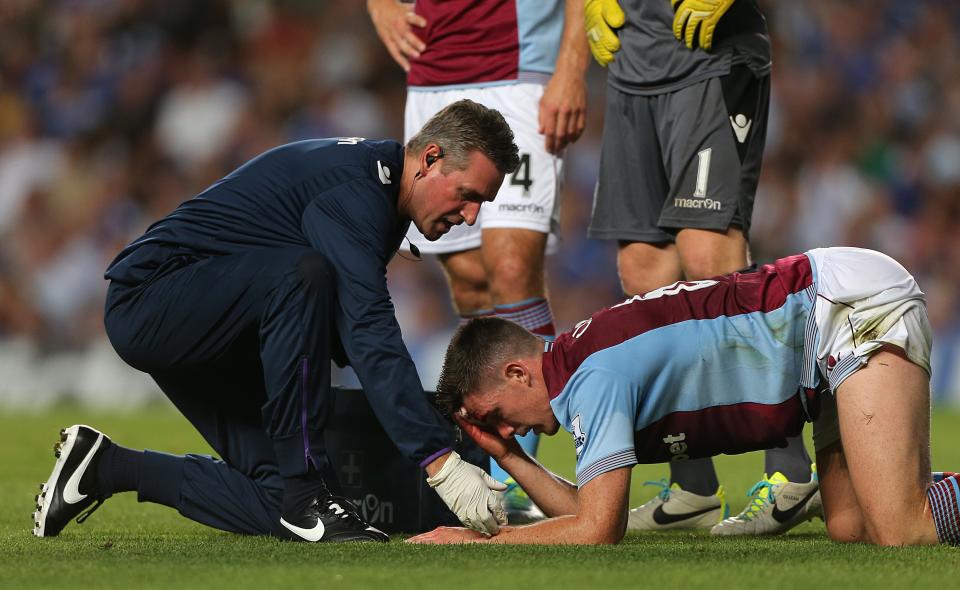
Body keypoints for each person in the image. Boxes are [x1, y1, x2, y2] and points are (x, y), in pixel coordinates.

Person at [31, 99, 520, 543]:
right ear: (430, 158)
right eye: (467, 194)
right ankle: (307, 484)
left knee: (284, 502)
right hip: (152, 299)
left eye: (482, 202)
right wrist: (439, 462)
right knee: (303, 276)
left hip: (222, 323)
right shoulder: (358, 190)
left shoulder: (380, 192)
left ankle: (106, 468)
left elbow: (351, 333)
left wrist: (442, 415)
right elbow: (366, 331)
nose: (472, 216)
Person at [408, 247, 960, 546]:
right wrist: (508, 457)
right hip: (821, 334)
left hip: (842, 308)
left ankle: (902, 488)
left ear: (518, 373)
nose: (511, 431)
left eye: (498, 418)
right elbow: (593, 510)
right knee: (849, 525)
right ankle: (899, 481)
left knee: (901, 529)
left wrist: (478, 540)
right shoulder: (577, 364)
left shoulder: (592, 378)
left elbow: (597, 530)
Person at [583, 0, 820, 535]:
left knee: (711, 259)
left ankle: (791, 473)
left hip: (709, 56)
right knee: (644, 272)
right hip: (632, 69)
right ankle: (692, 487)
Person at [367, 0, 589, 522]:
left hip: (520, 68)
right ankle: (495, 470)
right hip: (433, 73)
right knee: (468, 282)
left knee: (511, 269)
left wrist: (572, 64)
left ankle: (525, 480)